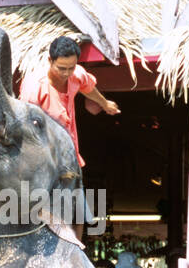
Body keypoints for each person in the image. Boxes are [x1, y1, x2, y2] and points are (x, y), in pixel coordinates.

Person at [17, 35, 120, 169]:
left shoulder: (76, 74)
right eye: (61, 68)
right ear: (50, 61)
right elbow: (25, 128)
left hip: (70, 156)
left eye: (71, 68)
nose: (66, 73)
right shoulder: (34, 88)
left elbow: (87, 87)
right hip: (44, 161)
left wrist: (105, 103)